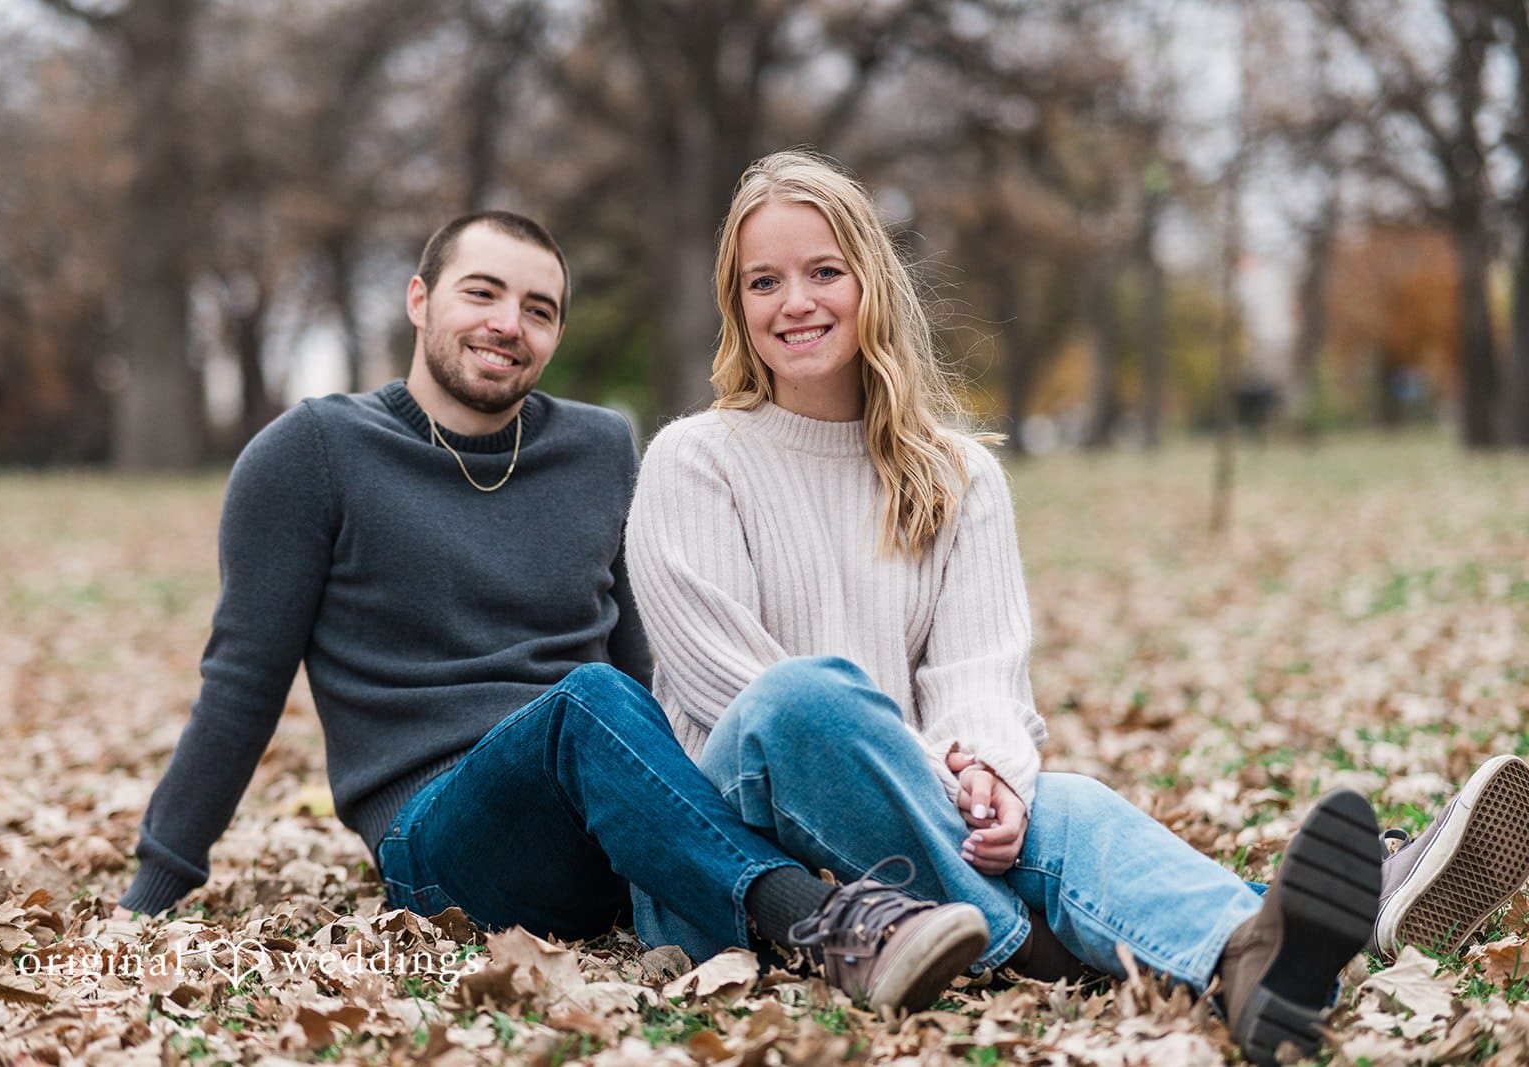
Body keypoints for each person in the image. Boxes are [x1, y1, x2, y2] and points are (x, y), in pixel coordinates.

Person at [623, 149, 1529, 1066]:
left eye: (825, 271)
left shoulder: (956, 475)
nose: (796, 301)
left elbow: (981, 677)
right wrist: (947, 779)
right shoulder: (695, 460)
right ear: (736, 305)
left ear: (872, 282)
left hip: (913, 835)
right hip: (743, 869)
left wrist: (994, 778)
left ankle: (1252, 956)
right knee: (802, 700)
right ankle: (1329, 903)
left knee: (1066, 803)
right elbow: (736, 691)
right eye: (764, 281)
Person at [111, 209, 993, 1015]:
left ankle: (962, 918)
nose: (509, 323)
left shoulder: (600, 446)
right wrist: (154, 886)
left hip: (612, 816)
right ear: (419, 300)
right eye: (482, 293)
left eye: (540, 308)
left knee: (690, 702)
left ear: (557, 334)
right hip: (443, 842)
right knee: (588, 700)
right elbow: (241, 684)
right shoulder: (313, 454)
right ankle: (821, 923)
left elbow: (654, 661)